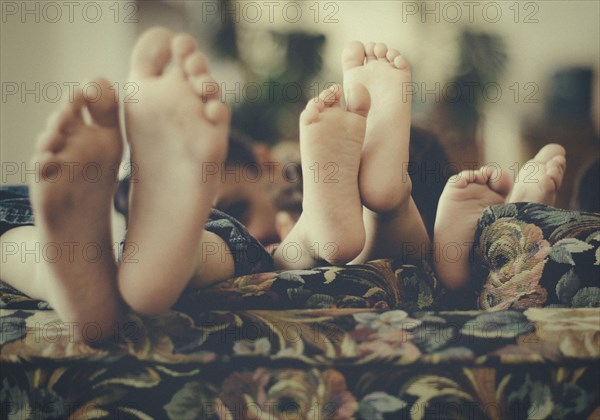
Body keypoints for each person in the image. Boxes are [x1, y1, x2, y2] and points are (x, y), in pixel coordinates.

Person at [0, 27, 566, 343]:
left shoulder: (256, 219)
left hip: (205, 248)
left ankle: (83, 276)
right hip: (234, 246)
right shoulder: (262, 217)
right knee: (276, 250)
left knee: (17, 241)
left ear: (273, 167)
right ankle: (411, 215)